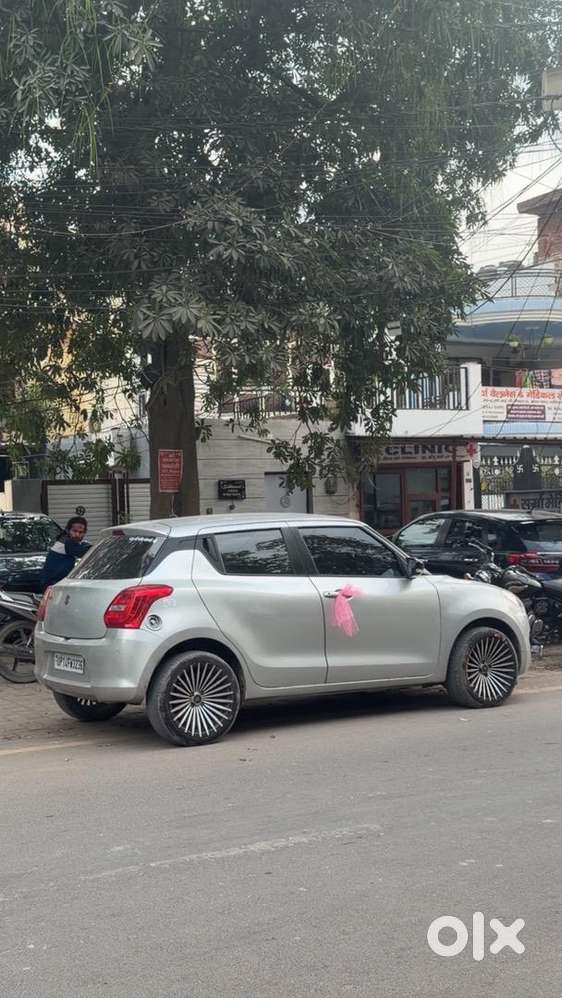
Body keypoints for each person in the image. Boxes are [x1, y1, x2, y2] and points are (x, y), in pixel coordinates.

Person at [41, 516, 91, 589]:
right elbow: (82, 552)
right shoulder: (67, 542)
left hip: (54, 583)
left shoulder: (64, 539)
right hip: (53, 585)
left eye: (81, 532)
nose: (77, 534)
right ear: (68, 530)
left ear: (85, 532)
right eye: (74, 531)